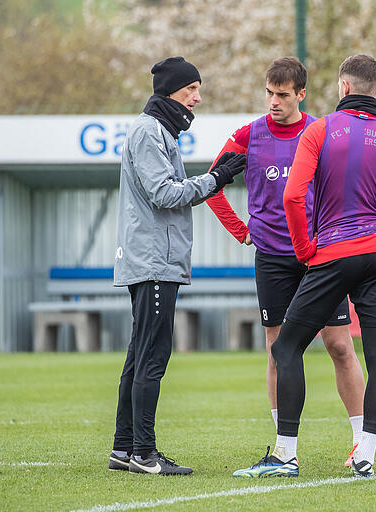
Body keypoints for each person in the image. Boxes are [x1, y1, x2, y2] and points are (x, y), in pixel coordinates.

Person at [232, 54, 376, 478]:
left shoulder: (320, 129)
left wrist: (305, 248)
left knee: (287, 347)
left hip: (332, 254)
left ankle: (286, 455)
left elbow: (293, 197)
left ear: (343, 88)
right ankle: (364, 453)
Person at [206, 57, 366, 461]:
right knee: (278, 349)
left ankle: (361, 441)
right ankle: (284, 446)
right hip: (273, 259)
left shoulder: (322, 132)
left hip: (319, 257)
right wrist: (240, 229)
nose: (273, 102)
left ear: (301, 94)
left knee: (340, 345)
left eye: (282, 95)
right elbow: (212, 183)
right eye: (268, 93)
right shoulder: (248, 135)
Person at [109, 57, 246, 475]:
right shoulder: (150, 131)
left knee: (139, 354)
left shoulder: (158, 130)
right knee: (153, 356)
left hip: (153, 260)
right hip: (153, 262)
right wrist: (216, 179)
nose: (198, 98)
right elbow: (164, 194)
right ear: (171, 91)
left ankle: (123, 448)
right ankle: (144, 454)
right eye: (192, 90)